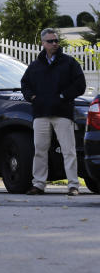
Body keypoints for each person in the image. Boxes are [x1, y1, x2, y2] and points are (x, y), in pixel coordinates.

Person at [20, 27, 86, 196]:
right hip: (41, 114)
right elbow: (25, 84)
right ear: (43, 43)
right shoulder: (35, 66)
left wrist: (64, 96)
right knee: (40, 150)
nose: (55, 43)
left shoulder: (69, 63)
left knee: (68, 150)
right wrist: (33, 98)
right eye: (50, 41)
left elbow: (80, 85)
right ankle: (39, 184)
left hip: (62, 113)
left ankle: (73, 185)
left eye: (56, 40)